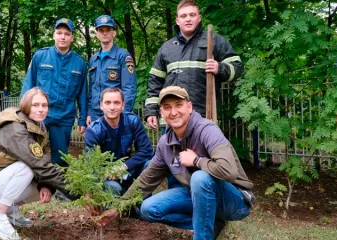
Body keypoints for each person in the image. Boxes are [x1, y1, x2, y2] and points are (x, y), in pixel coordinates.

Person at [93, 86, 255, 240]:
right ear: (162, 112)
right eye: (167, 107)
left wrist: (196, 160)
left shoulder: (207, 130)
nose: (174, 112)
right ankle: (210, 224)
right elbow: (146, 179)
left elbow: (228, 171)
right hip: (196, 196)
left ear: (189, 107)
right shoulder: (166, 143)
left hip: (235, 200)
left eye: (179, 105)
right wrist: (119, 207)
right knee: (148, 209)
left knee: (199, 178)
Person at [0, 87, 73, 240]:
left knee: (47, 185)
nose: (40, 109)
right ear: (26, 106)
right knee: (27, 167)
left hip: (2, 181)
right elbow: (38, 163)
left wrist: (46, 184)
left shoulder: (38, 127)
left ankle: (10, 210)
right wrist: (75, 190)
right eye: (35, 105)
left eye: (44, 105)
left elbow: (42, 159)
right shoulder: (16, 128)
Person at [144, 0, 243, 129]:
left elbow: (238, 67)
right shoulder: (166, 48)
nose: (188, 19)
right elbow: (155, 82)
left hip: (203, 117)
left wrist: (220, 68)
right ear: (177, 20)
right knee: (173, 150)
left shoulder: (213, 40)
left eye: (192, 15)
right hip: (173, 118)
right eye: (183, 16)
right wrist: (151, 111)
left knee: (201, 150)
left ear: (199, 18)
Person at [20, 18, 87, 167]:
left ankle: (58, 188)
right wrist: (22, 113)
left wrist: (82, 119)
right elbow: (28, 85)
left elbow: (82, 94)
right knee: (32, 152)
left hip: (64, 116)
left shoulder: (80, 63)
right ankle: (34, 184)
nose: (63, 37)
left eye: (67, 34)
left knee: (61, 158)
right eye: (59, 33)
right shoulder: (40, 56)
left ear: (72, 37)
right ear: (54, 35)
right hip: (39, 114)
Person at [84, 87, 153, 195]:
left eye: (116, 103)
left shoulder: (132, 121)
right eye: (107, 103)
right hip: (107, 175)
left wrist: (124, 166)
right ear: (101, 105)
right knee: (114, 188)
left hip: (129, 169)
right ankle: (115, 208)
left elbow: (147, 151)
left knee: (149, 164)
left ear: (123, 105)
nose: (112, 107)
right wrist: (107, 173)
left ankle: (142, 202)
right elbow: (90, 164)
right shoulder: (94, 130)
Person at [87, 15, 137, 125]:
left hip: (116, 114)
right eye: (101, 30)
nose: (105, 33)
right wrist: (89, 112)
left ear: (114, 32)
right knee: (95, 143)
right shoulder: (93, 59)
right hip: (96, 114)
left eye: (108, 30)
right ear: (97, 33)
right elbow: (92, 89)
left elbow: (129, 88)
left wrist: (124, 113)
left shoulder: (123, 56)